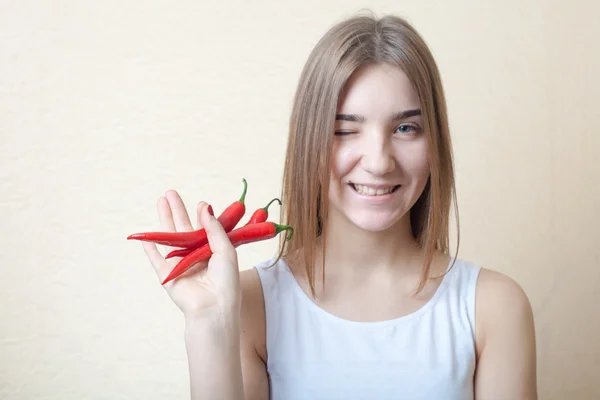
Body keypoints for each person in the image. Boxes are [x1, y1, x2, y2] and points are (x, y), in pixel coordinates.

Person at [140, 12, 537, 400]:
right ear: (308, 141)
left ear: (435, 143)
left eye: (405, 128)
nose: (379, 161)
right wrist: (209, 325)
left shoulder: (494, 307)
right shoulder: (248, 307)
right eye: (345, 130)